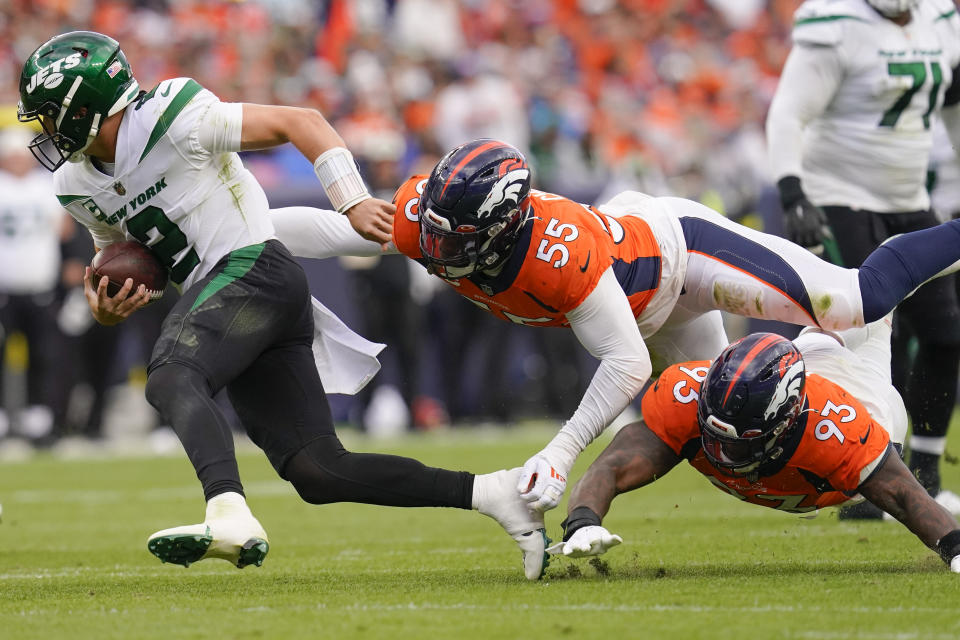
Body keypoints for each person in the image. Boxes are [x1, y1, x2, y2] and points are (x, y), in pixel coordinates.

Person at [17, 31, 551, 581]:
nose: (46, 132)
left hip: (255, 271)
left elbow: (304, 121)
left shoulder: (173, 118)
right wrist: (109, 306)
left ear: (86, 106)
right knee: (319, 471)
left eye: (52, 116)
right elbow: (117, 256)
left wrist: (351, 199)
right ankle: (494, 494)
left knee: (172, 375)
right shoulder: (76, 183)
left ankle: (226, 510)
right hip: (234, 301)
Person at [270, 137, 960, 517]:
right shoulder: (444, 223)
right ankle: (853, 400)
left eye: (459, 239)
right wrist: (225, 242)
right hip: (640, 311)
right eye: (438, 233)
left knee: (853, 302)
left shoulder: (559, 255)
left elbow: (625, 363)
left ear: (506, 229)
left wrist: (561, 452)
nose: (438, 251)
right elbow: (334, 232)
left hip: (676, 256)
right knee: (724, 429)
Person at [549, 324, 960, 574]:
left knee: (868, 308)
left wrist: (955, 548)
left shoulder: (839, 434)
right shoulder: (686, 399)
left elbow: (907, 498)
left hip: (868, 402)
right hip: (809, 369)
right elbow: (613, 467)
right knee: (836, 306)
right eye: (715, 436)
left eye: (739, 444)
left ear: (785, 423)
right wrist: (583, 520)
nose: (722, 455)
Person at [765, 0, 960, 516]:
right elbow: (789, 111)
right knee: (868, 336)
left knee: (944, 334)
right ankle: (869, 475)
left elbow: (954, 106)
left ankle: (925, 473)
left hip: (909, 200)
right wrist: (793, 192)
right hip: (840, 197)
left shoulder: (941, 21)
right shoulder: (839, 22)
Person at [0, 126, 70, 445]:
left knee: (44, 356)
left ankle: (39, 420)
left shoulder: (46, 186)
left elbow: (65, 231)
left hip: (40, 288)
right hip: (4, 290)